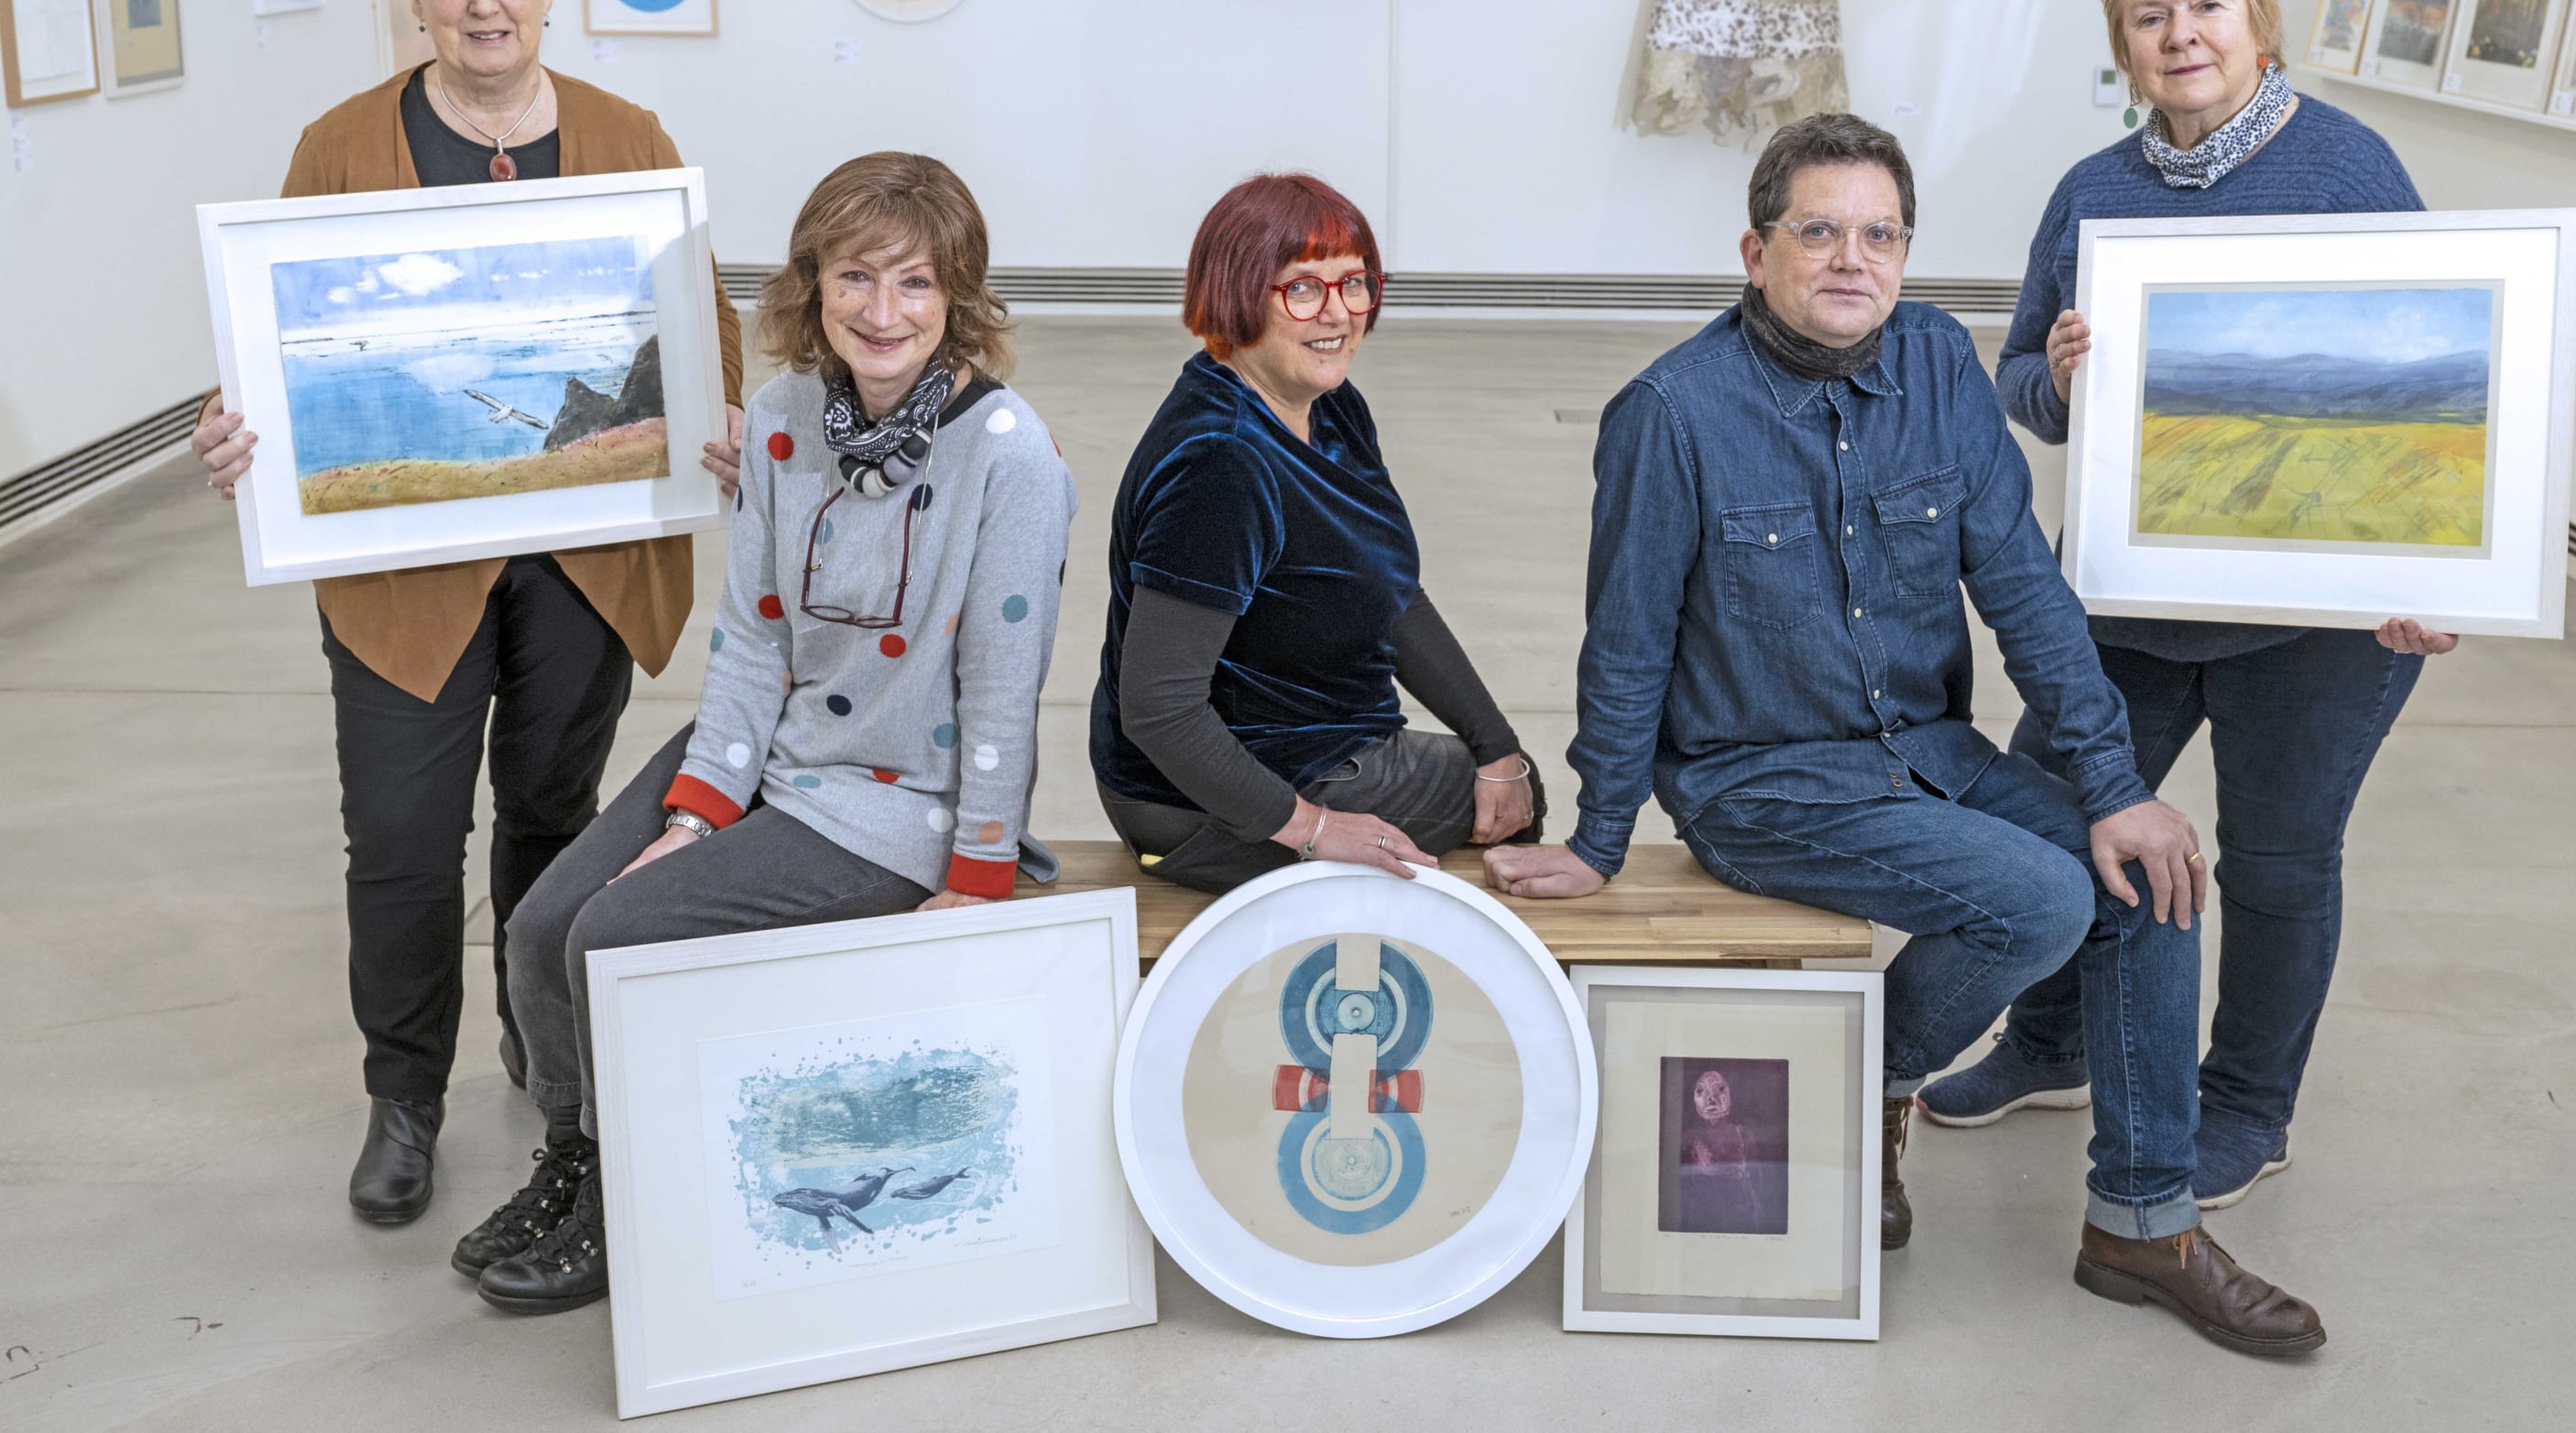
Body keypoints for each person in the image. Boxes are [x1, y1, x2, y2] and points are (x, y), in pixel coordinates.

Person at [1488, 113, 2326, 1357]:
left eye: (1880, 234)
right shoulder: (1671, 412)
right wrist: (1601, 836)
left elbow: (2026, 593)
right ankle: (1863, 1084)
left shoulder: (1939, 364)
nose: (1851, 259)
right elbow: (1626, 646)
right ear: (1754, 250)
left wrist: (2112, 784)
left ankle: (2142, 1226)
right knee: (2042, 902)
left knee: (2148, 874)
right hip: (1758, 777)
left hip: (1928, 753)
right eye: (1817, 231)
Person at [187, 0, 745, 1226]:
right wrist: (236, 429)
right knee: (400, 836)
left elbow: (702, 328)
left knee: (554, 818)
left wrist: (717, 407)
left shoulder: (630, 139)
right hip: (402, 583)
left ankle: (531, 1031)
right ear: (416, 2)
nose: (484, 2)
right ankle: (404, 1099)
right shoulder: (341, 146)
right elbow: (276, 356)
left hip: (585, 562)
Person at [454, 153, 1076, 1312]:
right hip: (769, 759)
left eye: (914, 285)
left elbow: (1004, 680)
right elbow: (751, 639)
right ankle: (577, 1154)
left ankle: (625, 1206)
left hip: (900, 802)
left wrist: (981, 870)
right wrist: (697, 813)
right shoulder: (786, 418)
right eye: (855, 276)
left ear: (956, 302)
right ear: (814, 282)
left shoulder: (1009, 456)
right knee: (543, 924)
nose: (881, 312)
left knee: (616, 932)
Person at [1916, 0, 2455, 1210]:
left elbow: (2437, 391)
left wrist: (2429, 573)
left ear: (2258, 21)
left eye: (2206, 5)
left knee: (2276, 866)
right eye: (2150, 15)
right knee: (2056, 834)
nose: (2181, 35)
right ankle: (2047, 1048)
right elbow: (2020, 392)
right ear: (2125, 44)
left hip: (2313, 623)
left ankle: (2248, 1109)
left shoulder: (2351, 172)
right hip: (2125, 595)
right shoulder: (2093, 193)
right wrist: (2057, 378)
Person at [1088, 173, 1540, 894]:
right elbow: (1158, 710)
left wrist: (1497, 745)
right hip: (1203, 803)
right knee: (1506, 805)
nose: (1338, 314)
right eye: (1302, 288)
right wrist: (1315, 828)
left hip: (1309, 744)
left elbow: (1390, 595)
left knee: (1503, 779)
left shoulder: (1329, 407)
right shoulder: (1221, 463)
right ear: (1236, 295)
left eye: (1353, 283)